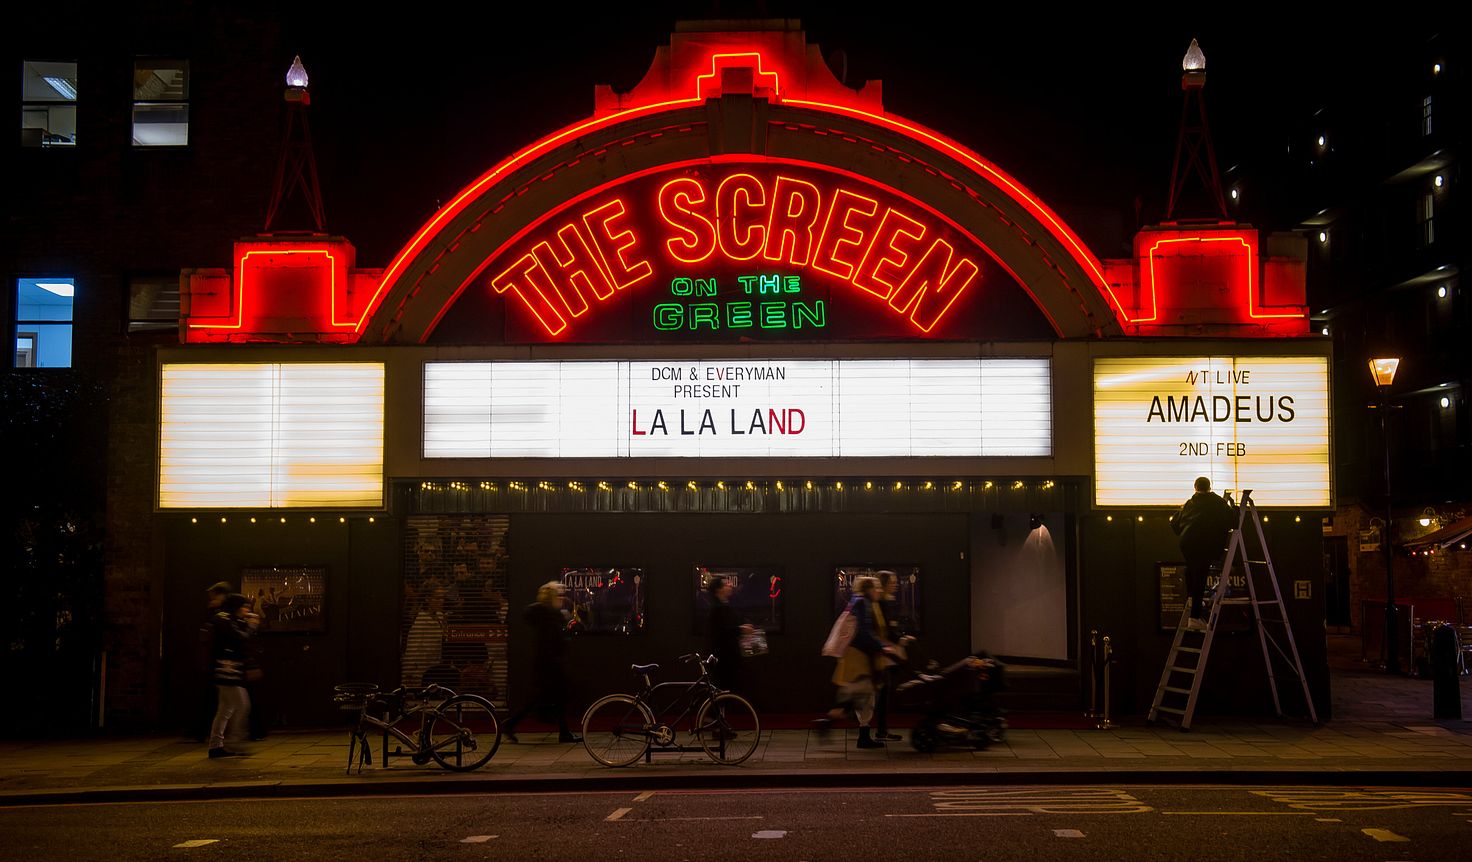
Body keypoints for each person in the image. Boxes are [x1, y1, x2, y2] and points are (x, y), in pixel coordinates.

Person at [823, 576, 899, 749]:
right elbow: (863, 632)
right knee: (862, 693)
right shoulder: (863, 603)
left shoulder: (861, 602)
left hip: (860, 655)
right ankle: (841, 724)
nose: (879, 590)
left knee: (861, 694)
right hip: (859, 657)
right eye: (876, 587)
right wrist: (882, 647)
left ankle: (838, 721)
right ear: (868, 589)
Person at [502, 582, 580, 744]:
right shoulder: (549, 617)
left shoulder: (548, 616)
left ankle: (510, 724)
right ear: (551, 597)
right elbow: (551, 643)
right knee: (553, 699)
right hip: (550, 665)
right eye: (559, 595)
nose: (562, 597)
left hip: (547, 664)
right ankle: (563, 733)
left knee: (540, 699)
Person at [1170, 476, 1237, 631]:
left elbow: (1174, 523)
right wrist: (1233, 506)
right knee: (1200, 576)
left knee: (1191, 570)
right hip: (1205, 544)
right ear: (1209, 487)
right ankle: (1194, 617)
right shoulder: (1217, 502)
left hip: (1186, 543)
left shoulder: (1189, 503)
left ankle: (1192, 600)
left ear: (1195, 487)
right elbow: (1234, 521)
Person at [207, 593, 257, 758]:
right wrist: (250, 627)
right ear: (236, 606)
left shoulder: (228, 620)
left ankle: (216, 745)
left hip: (227, 670)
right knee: (242, 705)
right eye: (244, 607)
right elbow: (239, 639)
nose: (246, 610)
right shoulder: (225, 620)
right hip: (227, 671)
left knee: (225, 709)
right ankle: (234, 742)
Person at [873, 570, 916, 742]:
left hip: (884, 650)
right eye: (892, 582)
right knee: (883, 689)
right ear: (883, 585)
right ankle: (880, 729)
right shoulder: (882, 603)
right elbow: (886, 629)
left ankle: (880, 728)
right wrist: (900, 638)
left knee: (883, 689)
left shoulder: (882, 602)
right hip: (885, 651)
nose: (895, 584)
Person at [192, 582, 232, 741]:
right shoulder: (218, 613)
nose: (211, 599)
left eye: (214, 596)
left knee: (219, 700)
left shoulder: (220, 615)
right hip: (217, 662)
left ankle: (205, 731)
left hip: (218, 662)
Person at [707, 574, 753, 694]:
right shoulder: (717, 608)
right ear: (718, 589)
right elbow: (722, 631)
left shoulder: (723, 605)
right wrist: (741, 629)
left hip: (727, 658)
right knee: (724, 691)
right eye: (726, 584)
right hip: (724, 659)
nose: (730, 585)